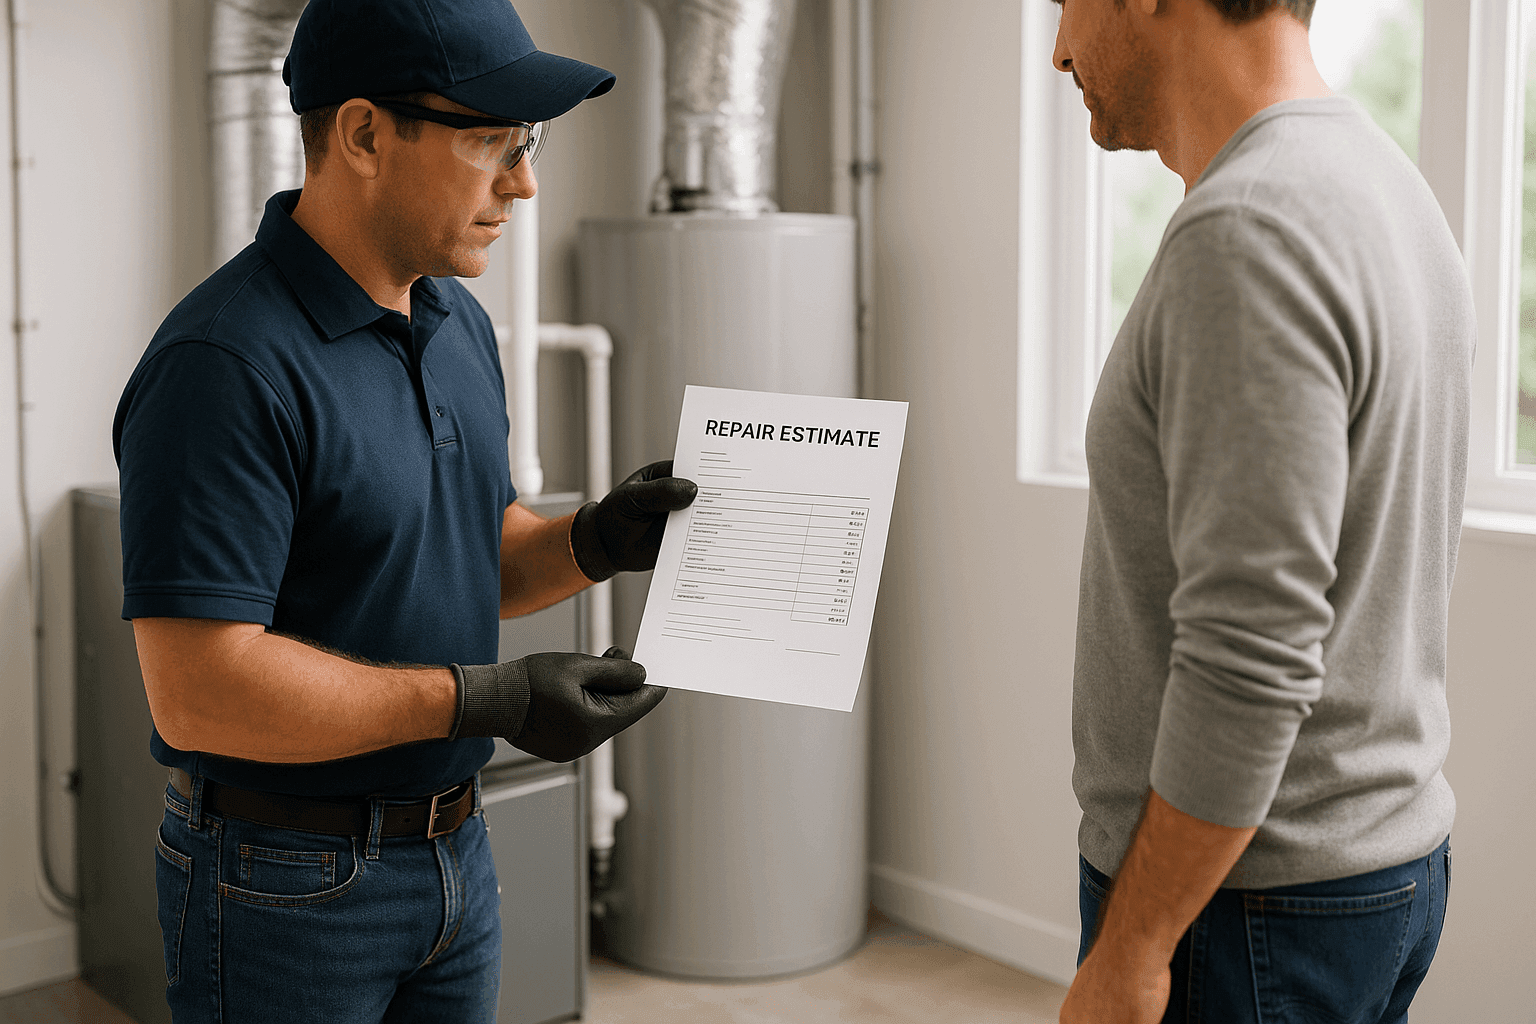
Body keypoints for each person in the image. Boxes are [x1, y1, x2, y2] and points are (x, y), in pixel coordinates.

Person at [113, 1, 696, 1021]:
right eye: (490, 142)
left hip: (454, 858)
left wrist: (597, 538)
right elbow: (198, 691)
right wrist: (487, 700)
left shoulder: (455, 318)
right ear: (365, 134)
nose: (524, 182)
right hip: (281, 881)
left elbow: (480, 555)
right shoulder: (224, 364)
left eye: (528, 143)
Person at [1051, 1, 1472, 1022]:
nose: (1060, 48)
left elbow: (1250, 652)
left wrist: (1134, 951)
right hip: (1368, 866)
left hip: (1245, 908)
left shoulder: (1248, 230)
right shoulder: (1378, 180)